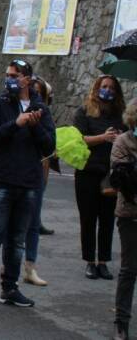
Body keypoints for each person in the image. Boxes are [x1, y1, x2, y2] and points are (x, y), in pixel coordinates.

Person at [0, 58, 55, 311]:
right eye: (7, 74)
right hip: (1, 179)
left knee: (17, 240)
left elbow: (49, 146)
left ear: (27, 79)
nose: (9, 79)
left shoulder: (42, 109)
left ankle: (10, 288)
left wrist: (35, 124)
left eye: (15, 75)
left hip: (28, 181)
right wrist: (15, 123)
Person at [75, 74, 127, 281]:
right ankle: (89, 260)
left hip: (111, 174)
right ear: (96, 89)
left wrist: (119, 140)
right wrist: (103, 138)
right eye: (104, 87)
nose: (108, 90)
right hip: (87, 172)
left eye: (112, 88)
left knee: (107, 220)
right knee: (88, 218)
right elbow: (78, 139)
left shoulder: (121, 115)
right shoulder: (84, 112)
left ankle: (103, 261)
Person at [20, 76, 54, 287]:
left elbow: (49, 147)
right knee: (10, 225)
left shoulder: (44, 114)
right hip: (14, 173)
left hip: (36, 173)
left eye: (39, 92)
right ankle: (9, 267)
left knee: (33, 223)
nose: (34, 93)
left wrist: (36, 126)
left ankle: (30, 268)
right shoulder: (12, 107)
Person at [111, 102, 137, 340]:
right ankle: (121, 322)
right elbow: (122, 182)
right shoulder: (123, 142)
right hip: (131, 215)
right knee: (130, 269)